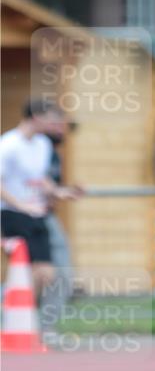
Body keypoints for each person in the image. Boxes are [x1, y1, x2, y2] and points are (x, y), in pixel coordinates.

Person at [0, 99, 67, 301]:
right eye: (50, 120)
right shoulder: (8, 144)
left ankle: (22, 317)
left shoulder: (43, 144)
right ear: (36, 117)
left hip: (37, 213)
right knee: (26, 271)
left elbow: (41, 178)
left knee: (46, 274)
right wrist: (20, 205)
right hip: (13, 214)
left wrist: (58, 192)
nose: (54, 125)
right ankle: (11, 312)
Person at [39, 107, 85, 331]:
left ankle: (45, 329)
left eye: (63, 126)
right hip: (27, 217)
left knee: (51, 275)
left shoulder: (54, 153)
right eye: (55, 124)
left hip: (44, 218)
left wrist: (65, 190)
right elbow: (36, 183)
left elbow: (48, 186)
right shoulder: (33, 148)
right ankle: (45, 330)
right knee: (49, 275)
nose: (61, 130)